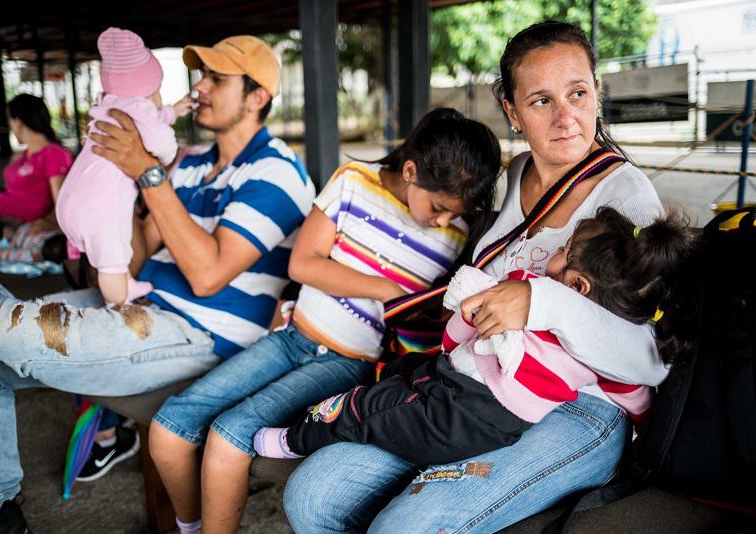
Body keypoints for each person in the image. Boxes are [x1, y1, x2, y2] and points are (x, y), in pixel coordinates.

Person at [282, 20, 671, 533]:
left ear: (597, 92)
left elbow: (651, 359)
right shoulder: (514, 178)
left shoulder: (628, 199)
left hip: (581, 407)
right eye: (540, 101)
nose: (566, 118)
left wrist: (540, 302)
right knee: (312, 495)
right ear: (512, 113)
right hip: (476, 386)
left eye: (578, 93)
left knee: (404, 528)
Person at [0, 34, 313, 533]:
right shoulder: (187, 163)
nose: (201, 86)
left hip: (201, 332)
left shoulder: (277, 171)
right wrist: (110, 173)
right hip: (142, 303)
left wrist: (146, 172)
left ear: (256, 98)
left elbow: (208, 277)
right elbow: (138, 257)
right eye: (200, 75)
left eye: (216, 78)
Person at [148, 108, 501, 534]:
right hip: (290, 339)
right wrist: (385, 290)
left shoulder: (457, 235)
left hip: (349, 362)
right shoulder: (352, 181)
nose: (444, 220)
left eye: (452, 212)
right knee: (169, 425)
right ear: (410, 170)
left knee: (228, 436)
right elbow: (302, 264)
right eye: (439, 206)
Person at [256, 207, 696, 465]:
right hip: (495, 421)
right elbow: (635, 396)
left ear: (578, 285)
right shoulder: (601, 350)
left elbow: (464, 320)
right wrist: (645, 434)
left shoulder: (529, 291)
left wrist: (449, 343)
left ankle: (298, 437)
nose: (553, 254)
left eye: (563, 252)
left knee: (366, 410)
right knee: (401, 374)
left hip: (462, 409)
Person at [57, 27, 194, 304]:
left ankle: (121, 284)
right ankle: (119, 303)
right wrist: (168, 152)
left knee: (109, 255)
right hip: (100, 208)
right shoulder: (141, 112)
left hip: (69, 201)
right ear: (148, 90)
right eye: (157, 91)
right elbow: (158, 138)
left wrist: (172, 111)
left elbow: (149, 117)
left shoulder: (106, 104)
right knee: (112, 261)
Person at [0, 94, 73, 252]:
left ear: (18, 121)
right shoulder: (20, 157)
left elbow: (61, 201)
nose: (11, 126)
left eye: (10, 120)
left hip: (3, 226)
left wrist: (47, 222)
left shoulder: (54, 154)